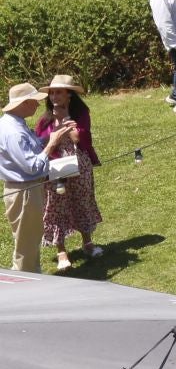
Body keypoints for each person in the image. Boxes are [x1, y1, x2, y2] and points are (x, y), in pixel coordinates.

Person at [3, 84, 77, 273]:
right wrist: (52, 144)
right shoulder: (14, 132)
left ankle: (31, 281)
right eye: (34, 102)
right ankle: (25, 288)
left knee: (29, 240)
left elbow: (30, 148)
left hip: (24, 190)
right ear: (25, 103)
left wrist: (51, 136)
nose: (38, 106)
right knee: (26, 246)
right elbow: (33, 166)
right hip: (25, 191)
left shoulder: (13, 123)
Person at [35, 74, 103, 269]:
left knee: (82, 200)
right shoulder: (44, 121)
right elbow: (41, 144)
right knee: (56, 205)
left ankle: (87, 242)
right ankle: (61, 251)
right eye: (52, 93)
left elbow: (79, 139)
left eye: (59, 93)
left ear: (69, 95)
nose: (54, 97)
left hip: (79, 164)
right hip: (55, 167)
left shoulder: (81, 114)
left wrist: (64, 118)